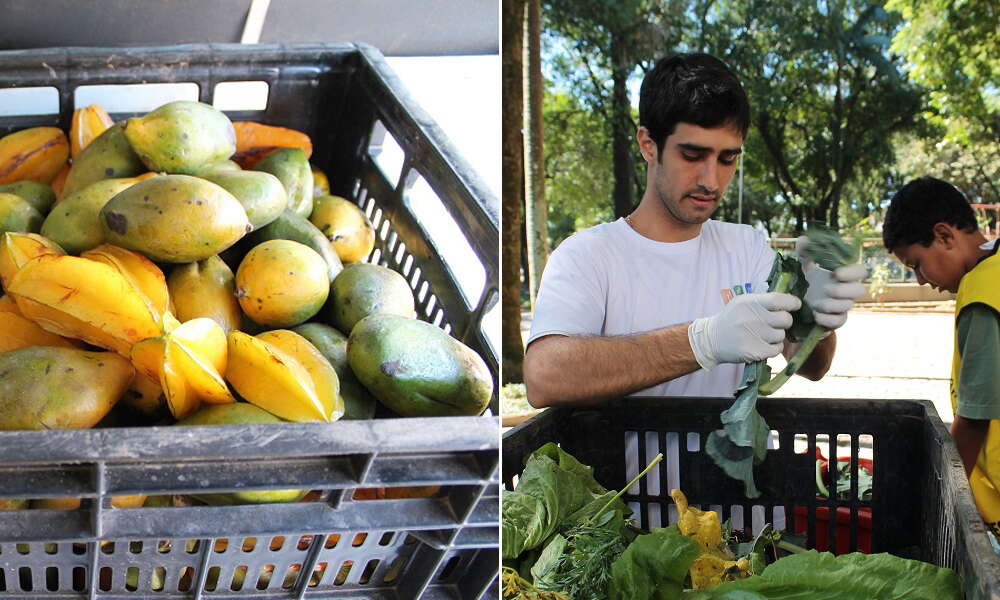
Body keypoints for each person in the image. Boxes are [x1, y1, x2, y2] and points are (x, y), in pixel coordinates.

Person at [523, 52, 867, 408]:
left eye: (727, 159)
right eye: (692, 155)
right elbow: (544, 377)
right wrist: (702, 342)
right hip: (628, 467)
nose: (710, 180)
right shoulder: (587, 256)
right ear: (648, 145)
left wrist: (816, 321)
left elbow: (813, 366)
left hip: (731, 465)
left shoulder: (747, 248)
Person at [882, 176, 1000, 540]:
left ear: (945, 235)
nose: (919, 280)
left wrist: (944, 501)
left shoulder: (981, 294)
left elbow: (975, 419)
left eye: (917, 263)